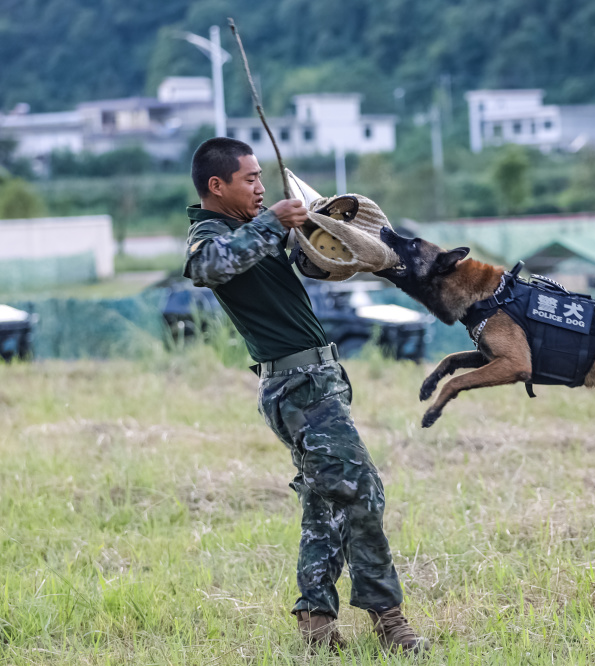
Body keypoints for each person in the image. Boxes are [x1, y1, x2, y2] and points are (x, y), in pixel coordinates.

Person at [183, 137, 427, 654]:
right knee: (363, 492)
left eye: (261, 178)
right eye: (250, 179)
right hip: (296, 387)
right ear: (216, 185)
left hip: (318, 381)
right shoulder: (209, 233)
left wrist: (321, 228)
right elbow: (209, 268)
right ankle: (390, 622)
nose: (260, 186)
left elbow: (314, 263)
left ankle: (316, 624)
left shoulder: (256, 232)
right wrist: (273, 220)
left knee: (327, 499)